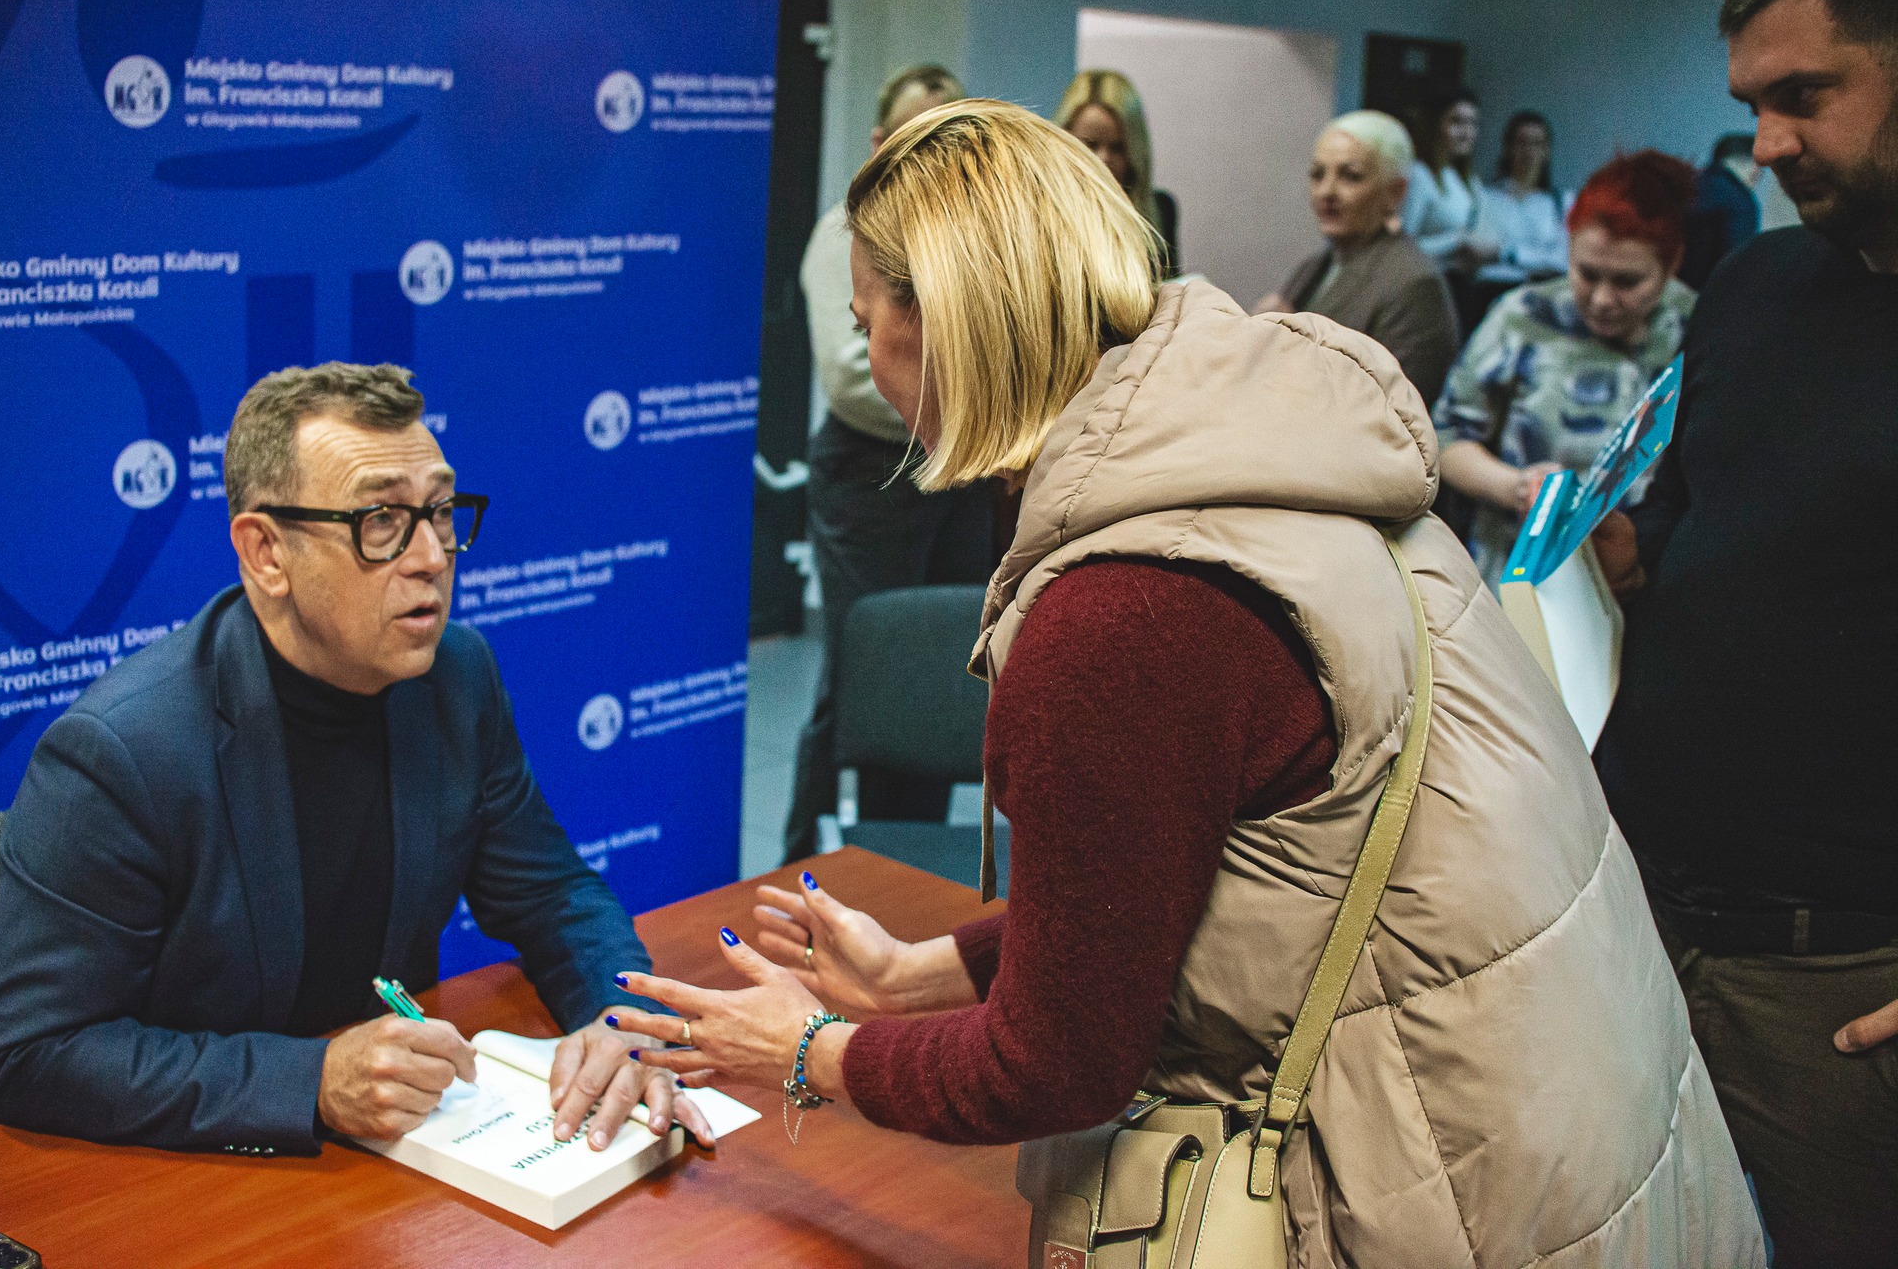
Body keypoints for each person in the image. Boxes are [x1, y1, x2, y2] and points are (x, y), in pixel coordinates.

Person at [610, 100, 1760, 1264]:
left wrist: (802, 1049)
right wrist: (925, 974)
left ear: (945, 317)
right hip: (1570, 1123)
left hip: (1447, 1183)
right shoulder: (1269, 460)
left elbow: (1052, 1064)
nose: (869, 364)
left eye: (869, 328)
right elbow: (1202, 870)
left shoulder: (1119, 614)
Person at [0, 362, 713, 1156]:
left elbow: (552, 893)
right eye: (381, 519)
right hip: (140, 1165)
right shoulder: (122, 751)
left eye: (439, 511)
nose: (432, 555)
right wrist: (310, 1081)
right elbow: (34, 1053)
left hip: (376, 1155)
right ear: (266, 553)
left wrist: (624, 1021)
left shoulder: (457, 677)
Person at [1592, 0, 1898, 1263]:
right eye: (1750, 107)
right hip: (1647, 931)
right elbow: (1683, 528)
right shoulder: (1757, 283)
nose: (1764, 143)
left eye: (1804, 96)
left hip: (1837, 987)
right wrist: (1615, 564)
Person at [783, 65, 998, 863]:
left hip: (957, 475)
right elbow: (853, 376)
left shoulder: (967, 238)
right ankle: (807, 864)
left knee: (936, 674)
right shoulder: (844, 229)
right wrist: (968, 393)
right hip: (871, 478)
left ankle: (905, 864)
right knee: (860, 679)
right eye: (915, 132)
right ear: (879, 140)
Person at [1434, 150, 1698, 587]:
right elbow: (1445, 439)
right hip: (1511, 571)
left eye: (1627, 282)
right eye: (1587, 274)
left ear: (1672, 265)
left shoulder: (1695, 329)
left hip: (1640, 580)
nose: (1602, 299)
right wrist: (1518, 487)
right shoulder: (1523, 315)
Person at [1254, 109, 1460, 403]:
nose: (1326, 192)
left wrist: (1288, 346)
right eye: (1317, 175)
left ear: (1395, 192)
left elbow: (1392, 412)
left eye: (1351, 176)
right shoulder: (1315, 265)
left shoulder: (1415, 285)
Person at [1055, 69, 1179, 275]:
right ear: (1062, 142)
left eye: (1117, 148)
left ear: (1135, 153)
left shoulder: (1161, 210)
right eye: (1090, 145)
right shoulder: (1039, 212)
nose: (1103, 159)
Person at [1401, 86, 1498, 281]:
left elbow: (1487, 233)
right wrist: (1457, 241)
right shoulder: (1420, 175)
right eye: (1456, 122)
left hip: (1463, 283)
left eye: (1472, 123)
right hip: (1425, 282)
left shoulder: (1468, 181)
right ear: (1435, 124)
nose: (1466, 132)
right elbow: (1401, 248)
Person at [1476, 110, 1570, 288]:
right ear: (1508, 148)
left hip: (1540, 291)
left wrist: (1509, 254)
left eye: (1537, 144)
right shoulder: (1485, 197)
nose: (1529, 152)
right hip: (1490, 289)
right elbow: (1479, 251)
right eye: (1521, 143)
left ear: (1547, 151)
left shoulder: (1561, 203)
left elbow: (1562, 259)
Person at [1679, 133, 1762, 289]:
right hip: (1701, 293)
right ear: (1745, 161)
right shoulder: (1740, 202)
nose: (1759, 175)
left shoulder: (1687, 185)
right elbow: (1735, 263)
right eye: (1759, 168)